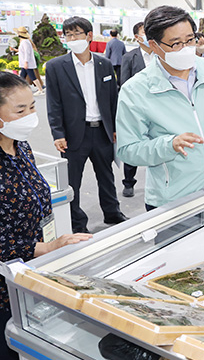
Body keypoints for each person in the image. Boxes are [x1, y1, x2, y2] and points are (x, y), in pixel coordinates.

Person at [0, 72, 92, 360]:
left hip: (29, 272)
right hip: (4, 286)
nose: (30, 116)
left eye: (32, 107)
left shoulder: (21, 147)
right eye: (20, 110)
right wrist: (47, 247)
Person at [116, 5, 204, 210]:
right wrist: (168, 145)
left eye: (190, 40)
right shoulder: (136, 90)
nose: (186, 48)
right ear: (154, 45)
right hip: (171, 201)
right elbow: (128, 149)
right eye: (176, 43)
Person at [46, 16, 127, 234]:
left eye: (77, 34)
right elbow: (53, 102)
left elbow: (113, 99)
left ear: (89, 36)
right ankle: (77, 223)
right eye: (68, 35)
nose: (72, 38)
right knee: (73, 181)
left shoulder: (104, 64)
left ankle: (112, 212)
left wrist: (115, 128)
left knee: (106, 176)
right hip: (73, 134)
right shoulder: (56, 67)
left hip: (101, 131)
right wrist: (57, 133)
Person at [119, 21, 153, 198]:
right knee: (134, 145)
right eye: (144, 32)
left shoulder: (160, 54)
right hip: (137, 108)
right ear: (137, 37)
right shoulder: (130, 57)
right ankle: (129, 181)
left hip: (159, 108)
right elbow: (124, 84)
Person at [13, 27, 44, 95]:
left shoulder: (25, 42)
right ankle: (20, 89)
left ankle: (40, 89)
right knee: (22, 77)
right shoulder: (24, 41)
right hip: (25, 63)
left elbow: (27, 53)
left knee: (32, 77)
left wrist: (26, 62)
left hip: (27, 63)